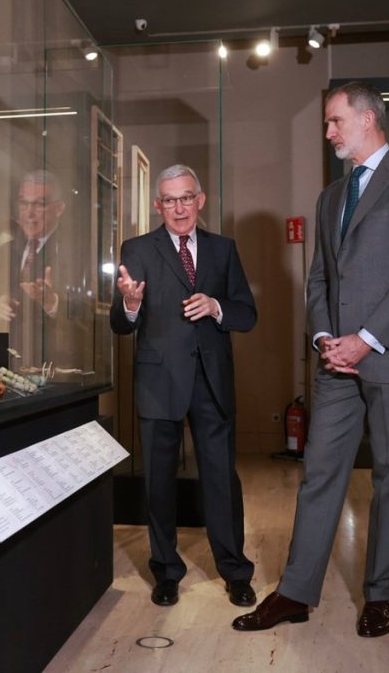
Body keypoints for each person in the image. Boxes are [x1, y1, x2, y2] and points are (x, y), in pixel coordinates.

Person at [233, 81, 389, 636]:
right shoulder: (331, 197)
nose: (328, 133)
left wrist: (366, 338)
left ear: (369, 119)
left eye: (334, 122)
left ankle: (381, 595)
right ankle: (296, 593)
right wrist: (327, 336)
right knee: (319, 474)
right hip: (335, 363)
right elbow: (320, 278)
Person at [110, 164, 257, 608]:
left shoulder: (223, 250)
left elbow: (246, 314)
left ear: (201, 199)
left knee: (220, 480)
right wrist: (131, 305)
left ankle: (235, 571)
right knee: (158, 483)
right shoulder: (137, 249)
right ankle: (167, 572)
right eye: (169, 200)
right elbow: (119, 324)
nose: (179, 207)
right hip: (159, 382)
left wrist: (216, 306)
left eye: (186, 197)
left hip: (212, 382)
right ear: (158, 205)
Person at [0, 170, 86, 369]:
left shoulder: (77, 254)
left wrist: (52, 303)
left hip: (55, 367)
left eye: (39, 204)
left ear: (59, 208)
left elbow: (89, 322)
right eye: (24, 204)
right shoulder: (6, 251)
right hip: (8, 364)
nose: (29, 214)